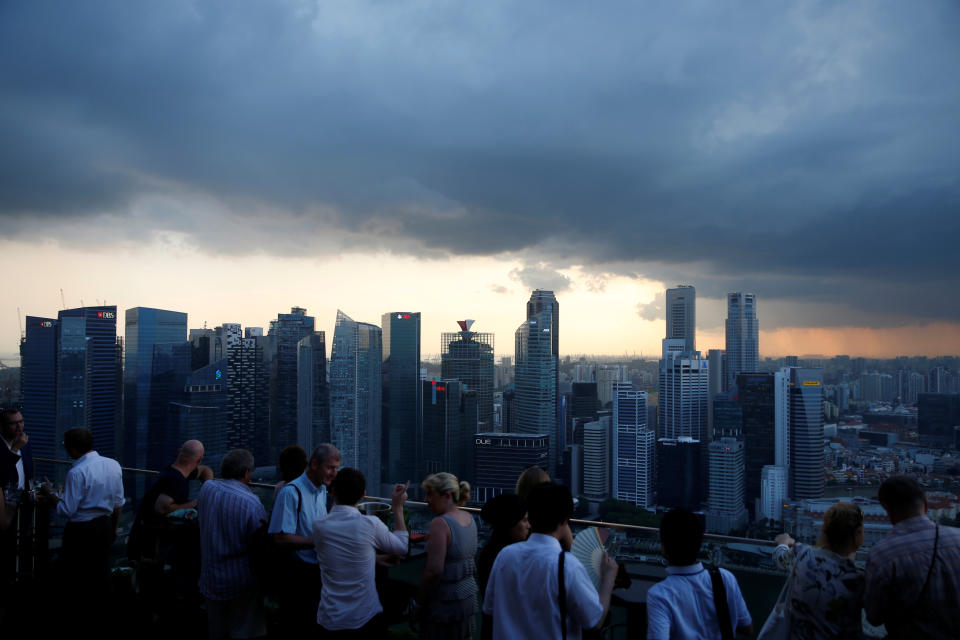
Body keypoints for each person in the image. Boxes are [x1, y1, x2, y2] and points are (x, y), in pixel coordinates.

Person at [484, 482, 617, 639]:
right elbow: (594, 622)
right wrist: (609, 579)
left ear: (530, 516)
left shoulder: (505, 556)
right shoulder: (567, 566)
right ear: (564, 521)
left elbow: (489, 608)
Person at [312, 468, 410, 635]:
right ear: (363, 494)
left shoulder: (319, 525)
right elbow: (402, 546)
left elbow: (341, 549)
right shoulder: (370, 524)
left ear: (333, 492)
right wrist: (397, 507)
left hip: (330, 617)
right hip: (364, 618)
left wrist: (373, 558)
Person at [864, 475, 960, 638]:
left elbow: (874, 617)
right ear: (926, 505)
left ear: (887, 509)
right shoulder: (957, 538)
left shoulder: (882, 555)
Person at [51, 428, 125, 625]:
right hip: (104, 525)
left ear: (73, 449)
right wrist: (114, 528)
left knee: (76, 575)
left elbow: (67, 510)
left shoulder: (76, 472)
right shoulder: (113, 465)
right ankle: (103, 613)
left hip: (81, 530)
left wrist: (51, 496)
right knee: (101, 571)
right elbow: (119, 503)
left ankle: (78, 615)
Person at [646, 508, 752, 640]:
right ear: (699, 543)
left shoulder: (660, 595)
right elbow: (747, 627)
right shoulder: (725, 578)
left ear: (664, 547)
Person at [268, 442, 340, 634]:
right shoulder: (291, 492)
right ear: (315, 464)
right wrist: (317, 541)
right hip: (298, 577)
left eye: (337, 468)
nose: (335, 473)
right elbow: (279, 538)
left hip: (318, 572)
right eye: (331, 467)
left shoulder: (322, 490)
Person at [197, 449, 268, 640]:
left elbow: (205, 474)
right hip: (240, 582)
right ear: (246, 473)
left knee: (216, 632)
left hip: (210, 578)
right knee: (243, 631)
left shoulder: (207, 490)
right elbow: (259, 543)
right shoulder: (251, 503)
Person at [772, 502, 866, 639]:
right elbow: (877, 616)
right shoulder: (858, 579)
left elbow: (780, 559)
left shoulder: (803, 554)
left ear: (825, 530)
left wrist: (783, 543)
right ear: (857, 536)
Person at [415, 472, 480, 640]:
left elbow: (434, 571)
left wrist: (418, 602)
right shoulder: (470, 518)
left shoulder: (440, 523)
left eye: (430, 494)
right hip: (468, 600)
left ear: (447, 495)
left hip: (445, 604)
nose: (426, 500)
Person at [128, 439, 213, 560]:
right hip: (150, 541)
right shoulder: (176, 481)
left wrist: (207, 490)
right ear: (199, 460)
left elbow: (205, 470)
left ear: (180, 452)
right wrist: (193, 503)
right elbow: (161, 508)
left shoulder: (174, 470)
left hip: (141, 533)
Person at [477, 493, 530, 640]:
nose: (528, 525)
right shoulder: (514, 557)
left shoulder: (488, 554)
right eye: (524, 520)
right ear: (510, 523)